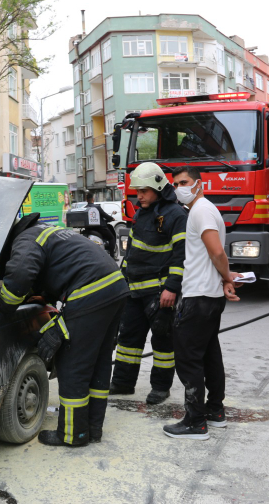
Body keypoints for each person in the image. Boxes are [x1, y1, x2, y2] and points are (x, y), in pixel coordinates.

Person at [0, 214, 128, 447]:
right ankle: (92, 429)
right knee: (97, 362)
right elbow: (59, 269)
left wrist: (4, 305)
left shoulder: (26, 240)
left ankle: (71, 435)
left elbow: (19, 275)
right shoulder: (50, 232)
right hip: (114, 287)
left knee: (72, 362)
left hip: (91, 291)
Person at [162, 166, 242, 441]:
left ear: (199, 184)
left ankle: (195, 422)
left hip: (198, 297)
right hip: (210, 296)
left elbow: (216, 250)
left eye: (183, 182)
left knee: (188, 359)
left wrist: (227, 276)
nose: (179, 187)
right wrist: (225, 279)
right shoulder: (205, 209)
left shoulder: (200, 210)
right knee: (209, 355)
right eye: (175, 184)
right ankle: (215, 412)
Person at [109, 162, 187, 405]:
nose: (139, 196)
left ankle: (161, 387)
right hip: (134, 289)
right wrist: (122, 281)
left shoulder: (175, 215)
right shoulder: (142, 212)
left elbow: (180, 255)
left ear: (157, 187)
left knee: (162, 340)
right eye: (137, 191)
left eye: (143, 191)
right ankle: (122, 383)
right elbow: (130, 252)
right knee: (128, 339)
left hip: (159, 291)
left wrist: (172, 288)